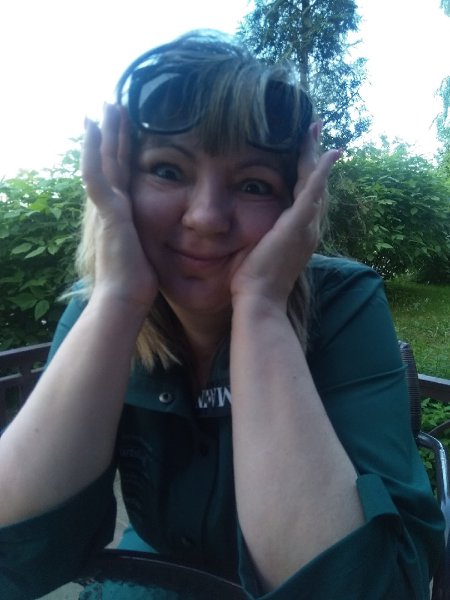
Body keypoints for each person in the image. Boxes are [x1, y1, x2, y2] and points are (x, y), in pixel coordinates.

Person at [0, 30, 444, 600]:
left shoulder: (344, 303)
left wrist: (260, 306)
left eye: (253, 184)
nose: (207, 217)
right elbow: (16, 562)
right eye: (168, 171)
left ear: (294, 204)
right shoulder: (100, 310)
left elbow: (376, 588)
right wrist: (118, 299)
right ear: (118, 183)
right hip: (149, 571)